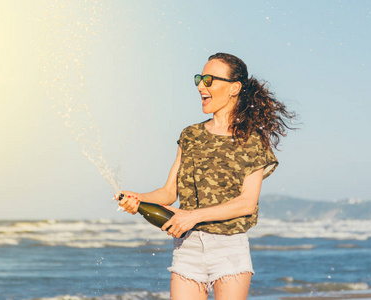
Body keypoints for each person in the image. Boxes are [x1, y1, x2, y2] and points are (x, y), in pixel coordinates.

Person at [117, 53, 296, 300]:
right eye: (200, 79)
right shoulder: (190, 135)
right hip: (187, 246)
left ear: (234, 88)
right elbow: (169, 192)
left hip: (229, 247)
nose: (201, 85)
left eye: (209, 80)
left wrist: (193, 216)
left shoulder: (252, 140)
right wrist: (138, 198)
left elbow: (247, 203)